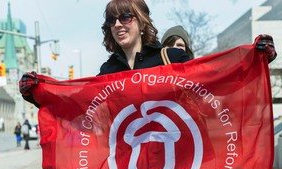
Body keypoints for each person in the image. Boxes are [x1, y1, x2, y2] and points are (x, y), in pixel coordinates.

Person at [18, 0, 276, 104]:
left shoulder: (170, 58)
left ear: (141, 22)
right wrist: (37, 92)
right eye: (112, 20)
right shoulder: (108, 71)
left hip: (177, 166)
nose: (118, 24)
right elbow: (77, 106)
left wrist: (257, 58)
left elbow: (216, 78)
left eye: (126, 17)